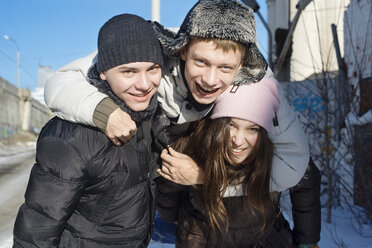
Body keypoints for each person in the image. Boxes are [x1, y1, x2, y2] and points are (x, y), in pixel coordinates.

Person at [44, 0, 309, 192]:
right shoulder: (152, 49)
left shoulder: (260, 84)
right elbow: (60, 81)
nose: (210, 80)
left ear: (240, 66)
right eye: (201, 62)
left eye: (225, 67)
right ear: (182, 50)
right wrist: (105, 112)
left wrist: (208, 177)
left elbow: (292, 164)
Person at [13, 14, 164, 247]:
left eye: (153, 69)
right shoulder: (73, 134)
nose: (144, 84)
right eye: (129, 72)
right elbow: (38, 229)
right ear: (103, 72)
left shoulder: (152, 118)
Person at [157, 78, 321, 248]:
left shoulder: (275, 154)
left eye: (252, 129)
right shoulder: (194, 145)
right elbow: (168, 187)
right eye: (231, 125)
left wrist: (307, 240)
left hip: (265, 239)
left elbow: (306, 177)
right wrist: (180, 220)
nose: (239, 140)